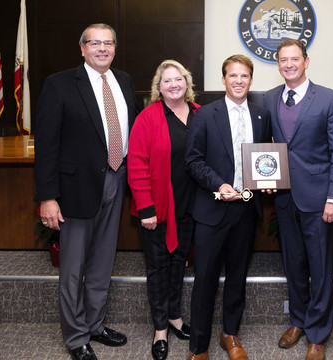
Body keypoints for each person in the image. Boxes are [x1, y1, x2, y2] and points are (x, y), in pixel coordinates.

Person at [34, 23, 139, 360]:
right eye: (95, 43)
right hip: (75, 190)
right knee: (73, 268)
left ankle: (95, 324)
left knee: (102, 262)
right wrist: (47, 197)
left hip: (116, 179)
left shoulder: (123, 80)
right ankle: (76, 336)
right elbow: (47, 146)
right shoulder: (59, 84)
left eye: (109, 43)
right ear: (82, 48)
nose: (102, 49)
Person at [263, 39, 333, 360]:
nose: (289, 65)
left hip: (319, 200)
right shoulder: (269, 98)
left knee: (320, 266)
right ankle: (298, 320)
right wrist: (267, 179)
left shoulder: (329, 99)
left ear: (306, 61)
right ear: (278, 64)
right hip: (284, 199)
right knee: (294, 264)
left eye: (294, 59)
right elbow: (266, 148)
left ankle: (317, 333)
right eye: (283, 60)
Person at [185, 54, 272, 360]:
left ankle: (230, 335)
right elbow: (193, 160)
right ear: (223, 80)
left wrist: (267, 181)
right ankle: (199, 347)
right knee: (205, 281)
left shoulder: (261, 115)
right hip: (212, 210)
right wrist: (218, 185)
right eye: (233, 76)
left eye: (244, 76)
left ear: (251, 80)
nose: (239, 81)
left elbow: (264, 159)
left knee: (237, 277)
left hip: (246, 211)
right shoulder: (205, 115)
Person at [127, 60, 200, 360]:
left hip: (192, 206)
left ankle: (175, 317)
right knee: (158, 268)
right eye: (167, 80)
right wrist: (145, 207)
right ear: (159, 87)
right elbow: (136, 164)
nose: (173, 84)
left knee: (179, 262)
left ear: (187, 82)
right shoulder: (148, 117)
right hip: (157, 208)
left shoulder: (200, 113)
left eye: (178, 79)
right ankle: (160, 329)